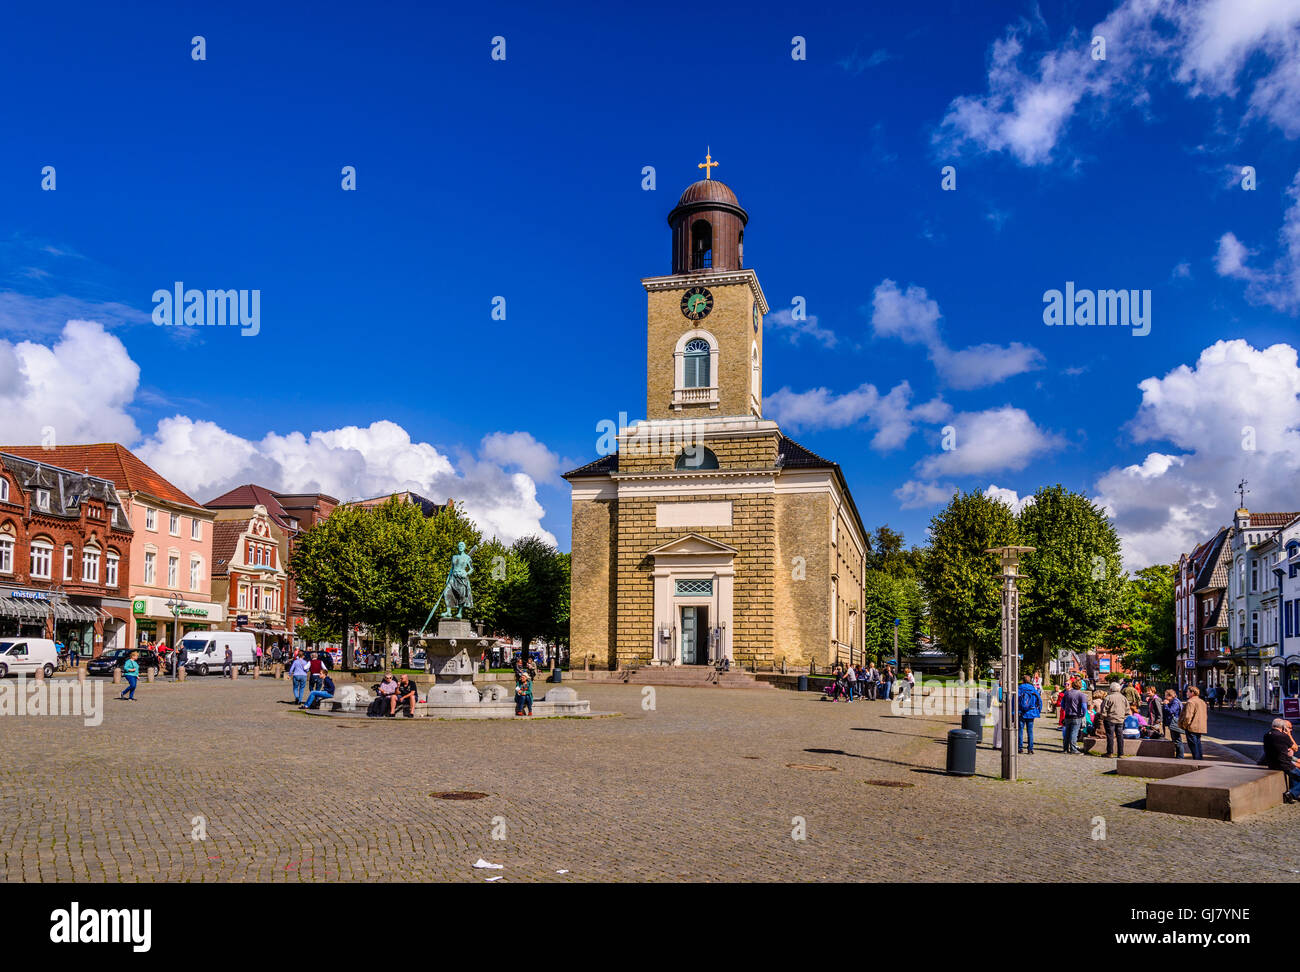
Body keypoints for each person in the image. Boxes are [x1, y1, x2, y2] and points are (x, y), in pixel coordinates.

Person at [1262, 719, 1300, 803]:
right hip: (1285, 765)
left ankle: (1294, 796)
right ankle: (1291, 794)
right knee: (1295, 774)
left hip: (1272, 764)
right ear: (1283, 727)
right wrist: (1289, 734)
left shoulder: (1267, 735)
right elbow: (1295, 748)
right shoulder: (1283, 736)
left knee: (1294, 777)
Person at [1099, 682, 1128, 757]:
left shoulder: (1108, 697)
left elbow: (1104, 709)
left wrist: (1103, 717)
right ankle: (1121, 753)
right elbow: (1127, 709)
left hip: (1110, 719)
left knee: (1110, 736)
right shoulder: (1123, 698)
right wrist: (1124, 717)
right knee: (1120, 737)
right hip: (1120, 720)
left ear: (1111, 689)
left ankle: (1110, 752)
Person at [1179, 686, 1208, 760]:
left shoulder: (1191, 702)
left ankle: (1197, 761)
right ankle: (1199, 760)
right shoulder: (1202, 702)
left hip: (1191, 727)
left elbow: (1188, 716)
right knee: (1198, 745)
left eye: (1188, 691)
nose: (1186, 693)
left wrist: (1185, 725)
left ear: (1192, 693)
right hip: (1200, 727)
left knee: (1193, 746)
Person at [1060, 678, 1087, 753]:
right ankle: (1073, 749)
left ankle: (1065, 749)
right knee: (1074, 733)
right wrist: (1083, 714)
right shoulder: (1081, 695)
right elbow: (1084, 707)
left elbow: (1062, 704)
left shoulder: (1067, 693)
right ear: (1080, 686)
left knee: (1067, 733)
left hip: (1068, 715)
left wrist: (1066, 709)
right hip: (1076, 716)